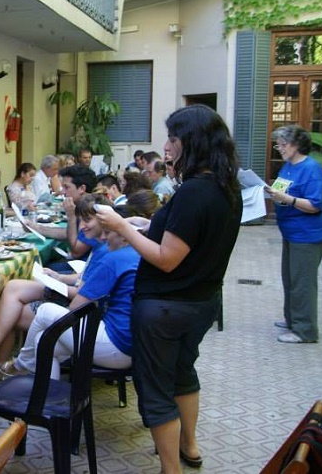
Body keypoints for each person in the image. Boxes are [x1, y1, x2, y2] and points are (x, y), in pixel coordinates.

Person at [96, 104, 243, 474]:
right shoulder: (225, 187)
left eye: (173, 139)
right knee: (183, 374)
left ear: (191, 141)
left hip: (165, 308)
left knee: (157, 388)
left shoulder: (195, 191)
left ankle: (170, 468)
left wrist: (122, 227)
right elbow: (190, 240)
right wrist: (146, 226)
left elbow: (166, 259)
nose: (167, 146)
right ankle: (189, 447)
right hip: (201, 301)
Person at [0, 220, 139, 375]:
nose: (103, 237)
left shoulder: (114, 258)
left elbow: (76, 308)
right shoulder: (136, 254)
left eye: (108, 232)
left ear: (125, 236)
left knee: (46, 311)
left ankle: (22, 364)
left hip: (116, 343)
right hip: (134, 346)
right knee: (42, 340)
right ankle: (47, 397)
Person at [0, 195, 111, 365]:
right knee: (13, 287)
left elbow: (82, 296)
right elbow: (86, 276)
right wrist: (59, 277)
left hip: (81, 310)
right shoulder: (101, 246)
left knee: (12, 311)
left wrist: (58, 283)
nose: (82, 226)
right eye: (81, 220)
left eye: (87, 220)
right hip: (75, 294)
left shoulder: (106, 251)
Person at [265, 125, 322, 344]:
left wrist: (288, 200)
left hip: (308, 234)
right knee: (290, 278)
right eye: (278, 144)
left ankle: (305, 330)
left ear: (296, 144)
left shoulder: (311, 169)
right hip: (292, 232)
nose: (280, 149)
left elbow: (315, 205)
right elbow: (282, 189)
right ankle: (293, 319)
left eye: (283, 144)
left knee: (302, 282)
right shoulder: (288, 166)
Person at [26, 165, 98, 261]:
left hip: (80, 268)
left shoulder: (93, 212)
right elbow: (68, 233)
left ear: (81, 188)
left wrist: (71, 216)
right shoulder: (82, 206)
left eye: (66, 187)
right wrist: (35, 228)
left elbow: (76, 252)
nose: (63, 192)